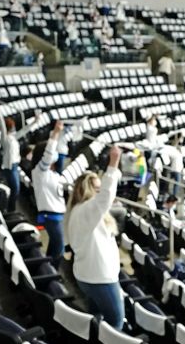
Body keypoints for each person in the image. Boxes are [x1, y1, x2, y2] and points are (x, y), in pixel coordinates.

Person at [65, 146, 124, 328]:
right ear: (88, 190)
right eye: (97, 189)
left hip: (87, 275)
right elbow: (106, 197)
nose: (100, 192)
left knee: (97, 316)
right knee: (116, 322)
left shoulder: (76, 211)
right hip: (99, 278)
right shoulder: (86, 210)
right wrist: (113, 164)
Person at [32, 122, 68, 262]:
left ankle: (49, 270)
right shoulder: (40, 171)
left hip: (57, 214)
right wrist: (55, 133)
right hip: (50, 216)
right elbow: (48, 154)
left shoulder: (53, 174)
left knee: (54, 245)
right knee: (59, 248)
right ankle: (54, 274)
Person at [0, 117, 22, 210]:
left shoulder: (13, 137)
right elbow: (1, 125)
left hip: (15, 165)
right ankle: (11, 209)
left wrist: (35, 122)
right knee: (15, 189)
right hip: (10, 167)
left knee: (16, 189)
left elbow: (25, 130)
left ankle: (11, 208)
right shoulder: (5, 138)